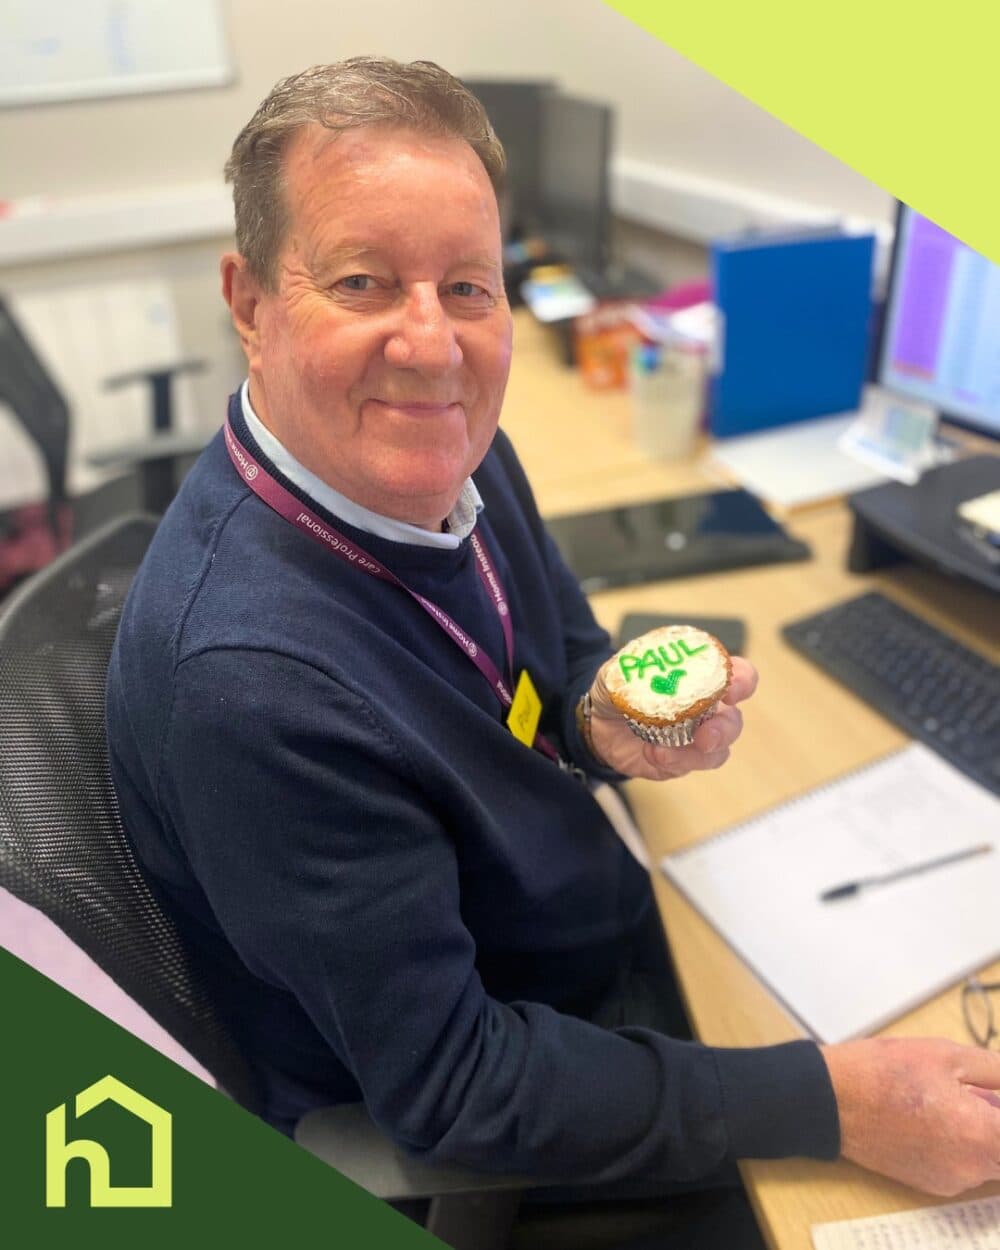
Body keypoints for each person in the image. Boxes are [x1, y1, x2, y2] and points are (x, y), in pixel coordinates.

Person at [107, 56, 1000, 1209]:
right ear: (249, 302)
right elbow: (453, 1087)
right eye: (365, 282)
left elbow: (556, 641)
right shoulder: (252, 684)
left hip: (571, 911)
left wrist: (600, 717)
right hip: (520, 1059)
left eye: (468, 287)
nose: (432, 344)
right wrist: (835, 1102)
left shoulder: (444, 441)